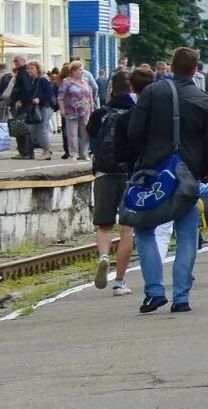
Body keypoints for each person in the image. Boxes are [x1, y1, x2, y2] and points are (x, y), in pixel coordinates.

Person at [124, 49, 208, 313]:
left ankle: (154, 291)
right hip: (187, 174)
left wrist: (142, 161)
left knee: (145, 230)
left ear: (170, 67)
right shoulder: (203, 100)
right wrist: (201, 172)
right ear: (194, 70)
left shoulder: (152, 93)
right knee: (187, 234)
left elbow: (134, 132)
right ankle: (181, 297)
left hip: (154, 172)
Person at [87, 69, 138, 295]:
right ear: (132, 89)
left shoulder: (100, 113)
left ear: (111, 88)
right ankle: (119, 281)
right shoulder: (136, 112)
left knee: (105, 225)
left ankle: (104, 256)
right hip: (129, 173)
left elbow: (91, 136)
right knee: (127, 229)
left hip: (104, 172)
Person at [13, 61, 57, 160]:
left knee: (42, 129)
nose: (29, 70)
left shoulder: (43, 80)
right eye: (28, 68)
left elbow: (49, 94)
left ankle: (46, 151)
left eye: (32, 68)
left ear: (38, 69)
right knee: (33, 130)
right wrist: (21, 101)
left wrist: (39, 99)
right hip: (36, 108)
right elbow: (29, 94)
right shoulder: (33, 80)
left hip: (44, 107)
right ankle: (46, 149)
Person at [60, 62, 96, 162]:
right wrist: (62, 109)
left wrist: (92, 108)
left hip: (85, 110)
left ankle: (84, 153)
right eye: (80, 69)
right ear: (73, 71)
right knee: (72, 134)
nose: (82, 71)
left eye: (82, 69)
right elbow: (61, 97)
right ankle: (73, 153)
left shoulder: (86, 81)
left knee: (85, 133)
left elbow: (90, 95)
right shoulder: (66, 82)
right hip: (71, 110)